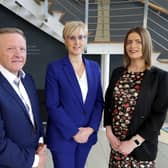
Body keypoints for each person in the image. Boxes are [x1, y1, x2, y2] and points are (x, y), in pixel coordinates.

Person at [104, 27, 168, 168]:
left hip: (141, 148)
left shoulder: (160, 77)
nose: (133, 46)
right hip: (117, 146)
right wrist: (109, 131)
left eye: (138, 41)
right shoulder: (118, 73)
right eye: (129, 42)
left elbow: (158, 116)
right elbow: (108, 103)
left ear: (146, 45)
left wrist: (134, 143)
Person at [45, 21, 104, 168]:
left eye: (81, 37)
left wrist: (91, 129)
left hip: (86, 136)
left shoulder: (94, 67)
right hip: (63, 136)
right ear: (65, 40)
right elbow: (52, 105)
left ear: (85, 40)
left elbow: (98, 102)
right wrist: (74, 132)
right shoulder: (55, 68)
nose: (77, 42)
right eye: (72, 37)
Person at [0, 27, 47, 168]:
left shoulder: (28, 80)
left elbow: (34, 116)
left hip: (32, 154)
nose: (18, 54)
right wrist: (35, 161)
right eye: (10, 49)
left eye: (22, 49)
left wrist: (40, 141)